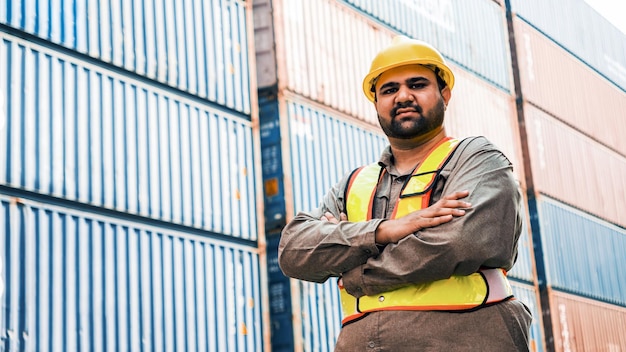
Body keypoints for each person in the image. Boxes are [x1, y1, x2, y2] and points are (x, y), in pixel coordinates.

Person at [278, 35, 532, 351]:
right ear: (376, 103)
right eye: (389, 89)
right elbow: (294, 252)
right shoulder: (354, 184)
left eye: (417, 84)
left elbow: (457, 243)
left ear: (445, 94)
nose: (403, 96)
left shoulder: (477, 158)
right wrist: (385, 231)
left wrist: (353, 271)